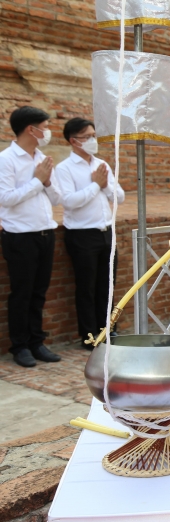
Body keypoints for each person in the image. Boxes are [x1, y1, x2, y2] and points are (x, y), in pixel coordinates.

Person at [54, 117, 125, 348]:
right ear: (74, 141)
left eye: (94, 135)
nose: (93, 140)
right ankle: (89, 335)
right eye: (88, 137)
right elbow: (69, 201)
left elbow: (120, 196)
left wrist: (104, 184)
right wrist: (95, 185)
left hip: (106, 232)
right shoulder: (64, 168)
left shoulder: (101, 164)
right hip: (82, 235)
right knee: (86, 287)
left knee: (107, 285)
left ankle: (108, 329)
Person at [0, 106, 62, 367]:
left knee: (39, 292)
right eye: (45, 126)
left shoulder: (42, 159)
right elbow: (6, 199)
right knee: (22, 292)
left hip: (45, 232)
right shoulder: (7, 159)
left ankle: (37, 341)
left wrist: (46, 182)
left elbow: (58, 199)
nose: (47, 131)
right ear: (31, 129)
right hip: (20, 235)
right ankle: (20, 346)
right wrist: (38, 180)